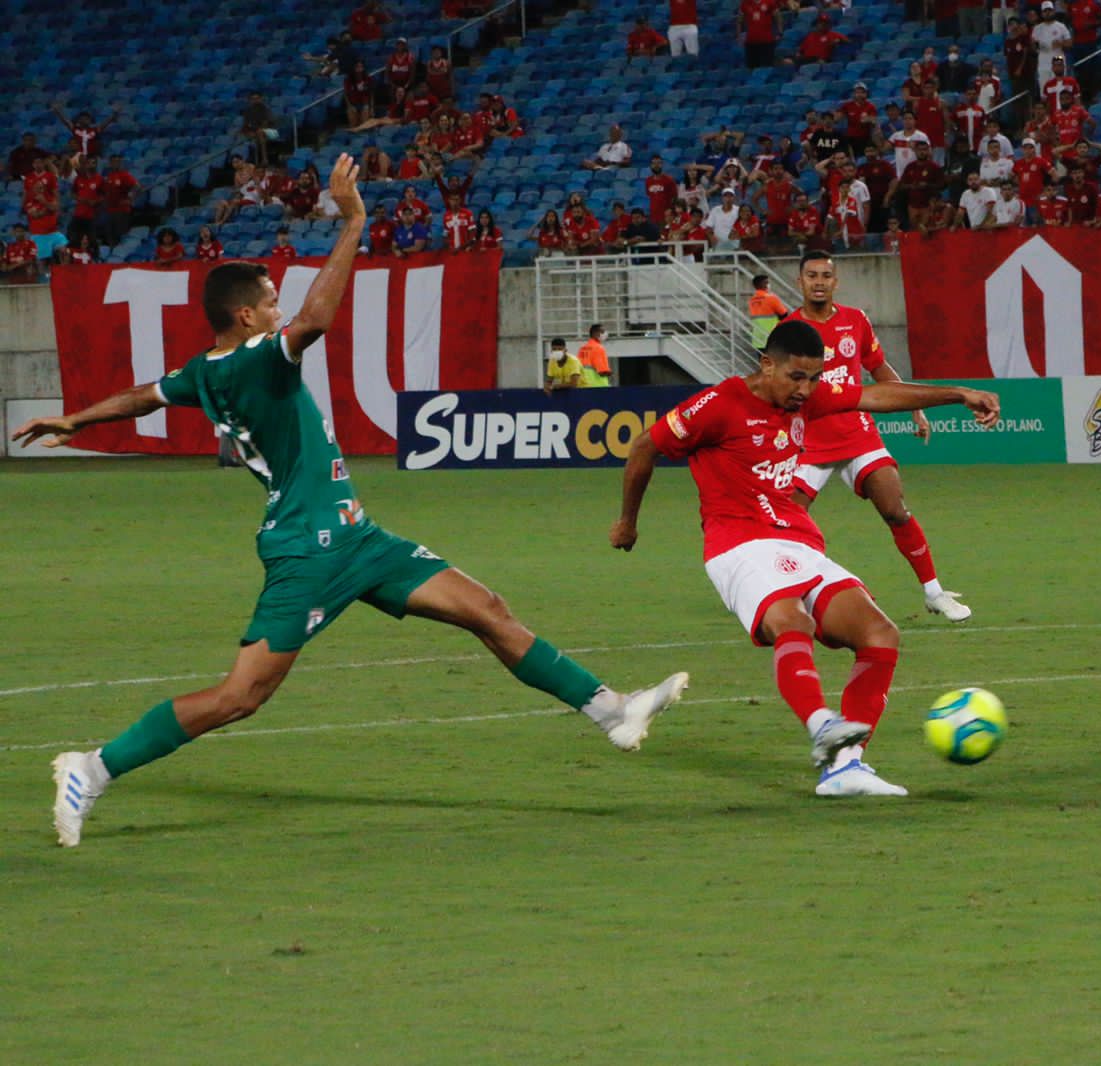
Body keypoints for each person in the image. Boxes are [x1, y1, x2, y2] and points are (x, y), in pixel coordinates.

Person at [18, 155, 689, 848]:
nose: (279, 310)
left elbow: (145, 395)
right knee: (240, 697)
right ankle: (92, 767)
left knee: (486, 609)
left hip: (355, 537)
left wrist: (78, 418)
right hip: (308, 547)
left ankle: (612, 710)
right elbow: (316, 318)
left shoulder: (203, 372)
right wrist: (354, 223)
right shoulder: (255, 358)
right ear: (247, 316)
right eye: (269, 301)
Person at [609, 319, 999, 796]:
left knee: (880, 634)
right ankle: (821, 725)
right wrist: (628, 521)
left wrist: (958, 394)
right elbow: (645, 445)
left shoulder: (808, 398)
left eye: (814, 378)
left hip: (796, 538)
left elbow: (876, 396)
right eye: (797, 377)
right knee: (792, 623)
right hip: (738, 544)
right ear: (766, 364)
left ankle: (845, 768)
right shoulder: (720, 404)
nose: (806, 389)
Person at [781, 252, 974, 622]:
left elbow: (878, 367)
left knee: (895, 509)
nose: (819, 281)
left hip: (857, 433)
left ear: (835, 282)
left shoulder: (855, 321)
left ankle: (934, 592)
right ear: (799, 282)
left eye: (826, 275)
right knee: (786, 520)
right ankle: (780, 589)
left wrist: (913, 405)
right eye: (811, 276)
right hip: (810, 440)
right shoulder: (788, 329)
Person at [748, 274, 789, 349]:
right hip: (772, 337)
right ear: (764, 285)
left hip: (758, 338)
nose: (769, 284)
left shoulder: (751, 301)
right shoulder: (771, 298)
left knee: (762, 360)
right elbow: (784, 314)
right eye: (767, 282)